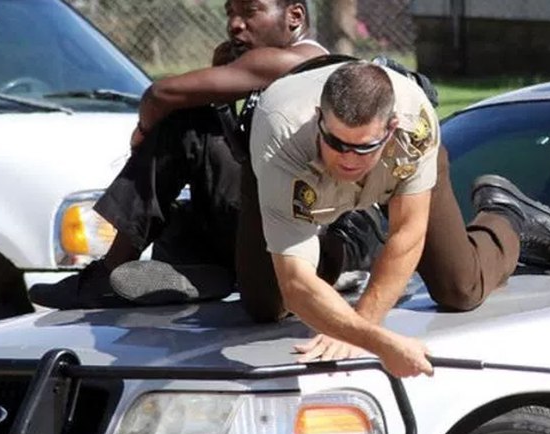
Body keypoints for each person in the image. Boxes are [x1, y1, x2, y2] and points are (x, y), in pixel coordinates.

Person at [29, 0, 382, 309]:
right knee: (199, 142)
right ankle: (201, 272)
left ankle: (109, 274)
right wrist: (221, 95)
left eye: (250, 10)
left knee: (185, 123)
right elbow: (243, 152)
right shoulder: (268, 70)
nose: (235, 24)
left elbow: (160, 94)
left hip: (331, 237)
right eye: (230, 12)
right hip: (288, 225)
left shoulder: (301, 58)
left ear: (294, 16)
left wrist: (144, 133)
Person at [238, 60, 550, 378]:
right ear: (318, 118)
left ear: (391, 129)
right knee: (267, 304)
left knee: (460, 288)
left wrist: (361, 328)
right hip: (286, 168)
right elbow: (296, 283)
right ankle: (352, 235)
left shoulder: (414, 125)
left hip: (397, 171)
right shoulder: (282, 134)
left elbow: (407, 233)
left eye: (362, 147)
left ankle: (508, 217)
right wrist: (377, 341)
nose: (347, 158)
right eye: (335, 142)